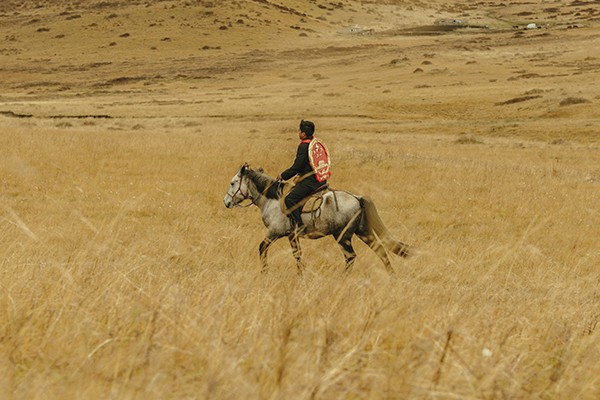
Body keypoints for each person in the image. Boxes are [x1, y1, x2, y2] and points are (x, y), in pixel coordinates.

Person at [277, 120, 329, 235]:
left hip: (311, 182)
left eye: (299, 131)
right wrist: (300, 175)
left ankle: (299, 227)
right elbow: (309, 164)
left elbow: (297, 166)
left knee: (289, 199)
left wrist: (283, 175)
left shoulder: (304, 146)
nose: (298, 133)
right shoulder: (314, 144)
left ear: (303, 134)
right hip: (321, 179)